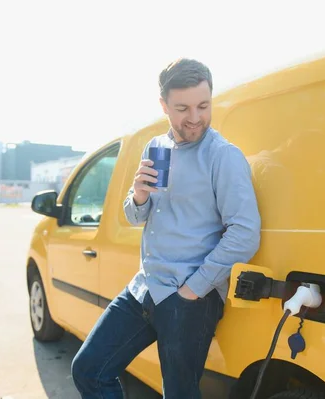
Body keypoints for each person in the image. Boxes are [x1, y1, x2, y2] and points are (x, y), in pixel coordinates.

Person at [71, 58, 261, 399]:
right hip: (144, 288)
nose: (194, 117)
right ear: (163, 106)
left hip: (188, 299)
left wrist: (193, 291)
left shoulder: (223, 157)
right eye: (182, 107)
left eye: (203, 105)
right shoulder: (155, 148)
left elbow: (244, 234)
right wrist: (139, 195)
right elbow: (136, 217)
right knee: (88, 370)